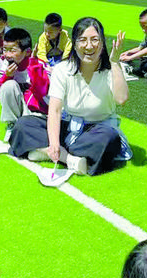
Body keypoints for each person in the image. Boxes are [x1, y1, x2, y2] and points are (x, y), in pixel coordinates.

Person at [8, 17, 131, 176]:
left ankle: (44, 151)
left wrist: (114, 62)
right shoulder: (63, 69)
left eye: (94, 40)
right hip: (68, 125)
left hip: (97, 129)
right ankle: (68, 158)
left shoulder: (112, 70)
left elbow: (122, 99)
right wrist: (54, 143)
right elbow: (55, 110)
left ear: (102, 43)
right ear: (74, 43)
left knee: (109, 138)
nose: (89, 46)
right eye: (82, 40)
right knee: (23, 124)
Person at [0, 27, 50, 142]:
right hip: (23, 109)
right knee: (8, 85)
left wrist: (33, 67)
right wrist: (7, 76)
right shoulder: (6, 64)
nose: (7, 55)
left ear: (27, 52)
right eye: (5, 50)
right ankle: (12, 124)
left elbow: (42, 92)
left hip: (40, 112)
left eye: (12, 51)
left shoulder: (38, 66)